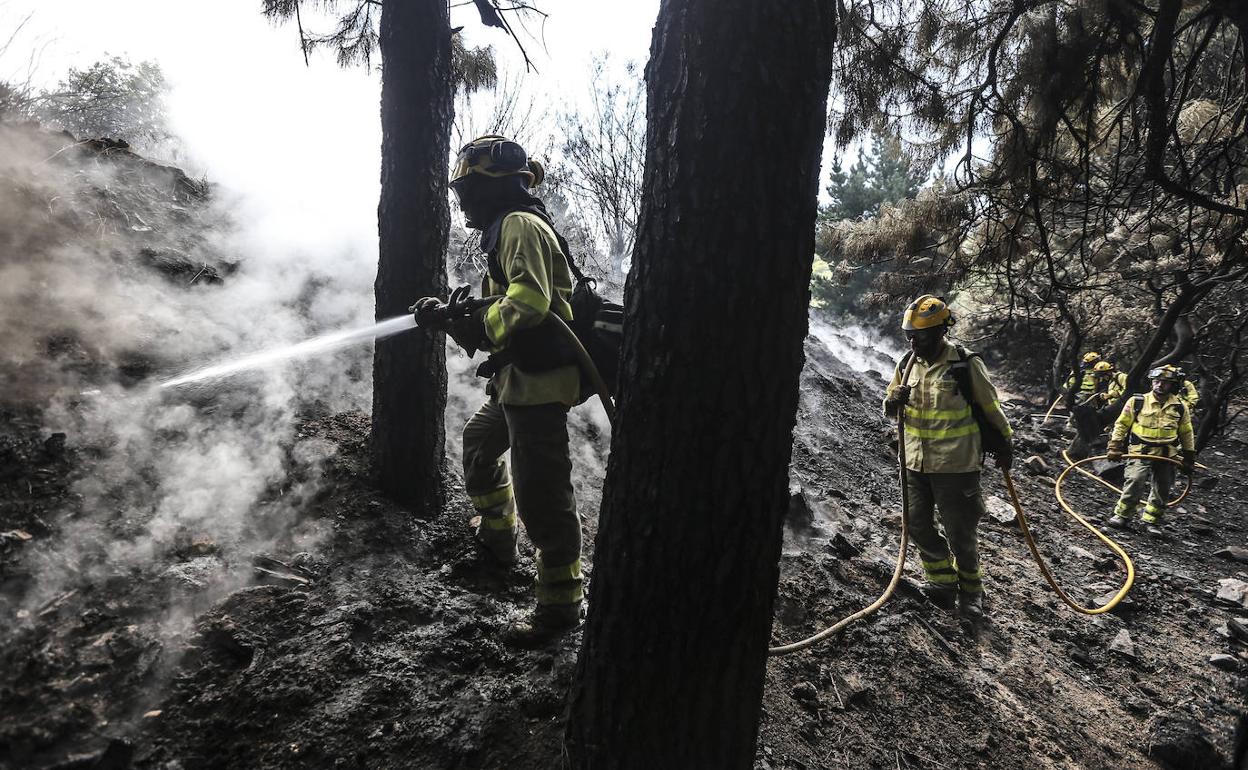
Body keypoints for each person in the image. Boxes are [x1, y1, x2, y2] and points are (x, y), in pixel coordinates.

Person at [412, 135, 583, 646]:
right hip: (518, 379)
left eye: (466, 190)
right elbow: (503, 302)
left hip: (539, 385)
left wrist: (480, 326)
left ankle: (560, 605)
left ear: (493, 186)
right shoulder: (506, 227)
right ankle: (497, 540)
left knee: (543, 495)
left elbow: (528, 302)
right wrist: (455, 315)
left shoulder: (518, 224)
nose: (462, 202)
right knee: (480, 444)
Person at [883, 295, 1014, 618]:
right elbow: (889, 407)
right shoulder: (906, 364)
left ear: (941, 331)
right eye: (910, 335)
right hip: (913, 462)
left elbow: (990, 408)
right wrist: (893, 400)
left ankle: (972, 592)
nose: (914, 341)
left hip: (956, 466)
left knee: (960, 532)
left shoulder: (964, 364)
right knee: (916, 524)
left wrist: (1005, 444)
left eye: (921, 335)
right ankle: (941, 582)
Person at [1105, 364, 1197, 535]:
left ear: (1173, 385)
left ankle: (1151, 521)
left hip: (1167, 455)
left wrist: (1189, 456)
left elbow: (1186, 432)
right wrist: (1115, 446)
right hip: (1140, 451)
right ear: (1152, 382)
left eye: (1165, 382)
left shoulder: (1180, 406)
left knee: (1163, 488)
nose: (1160, 385)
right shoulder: (1137, 401)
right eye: (1156, 381)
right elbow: (1122, 424)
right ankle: (1122, 515)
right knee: (1135, 480)